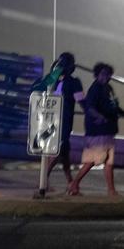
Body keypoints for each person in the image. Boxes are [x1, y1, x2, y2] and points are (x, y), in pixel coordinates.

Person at [67, 62, 123, 197]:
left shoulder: (108, 88)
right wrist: (101, 118)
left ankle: (111, 190)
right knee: (92, 161)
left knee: (108, 162)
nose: (107, 77)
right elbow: (90, 108)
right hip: (98, 132)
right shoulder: (95, 89)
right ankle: (74, 184)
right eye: (103, 74)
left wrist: (120, 112)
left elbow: (113, 106)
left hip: (108, 130)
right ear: (97, 75)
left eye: (108, 74)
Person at [44, 53, 85, 187]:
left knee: (64, 151)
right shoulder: (74, 83)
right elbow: (81, 101)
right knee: (59, 150)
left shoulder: (52, 81)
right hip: (64, 122)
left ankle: (70, 182)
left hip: (51, 120)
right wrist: (91, 111)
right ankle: (43, 180)